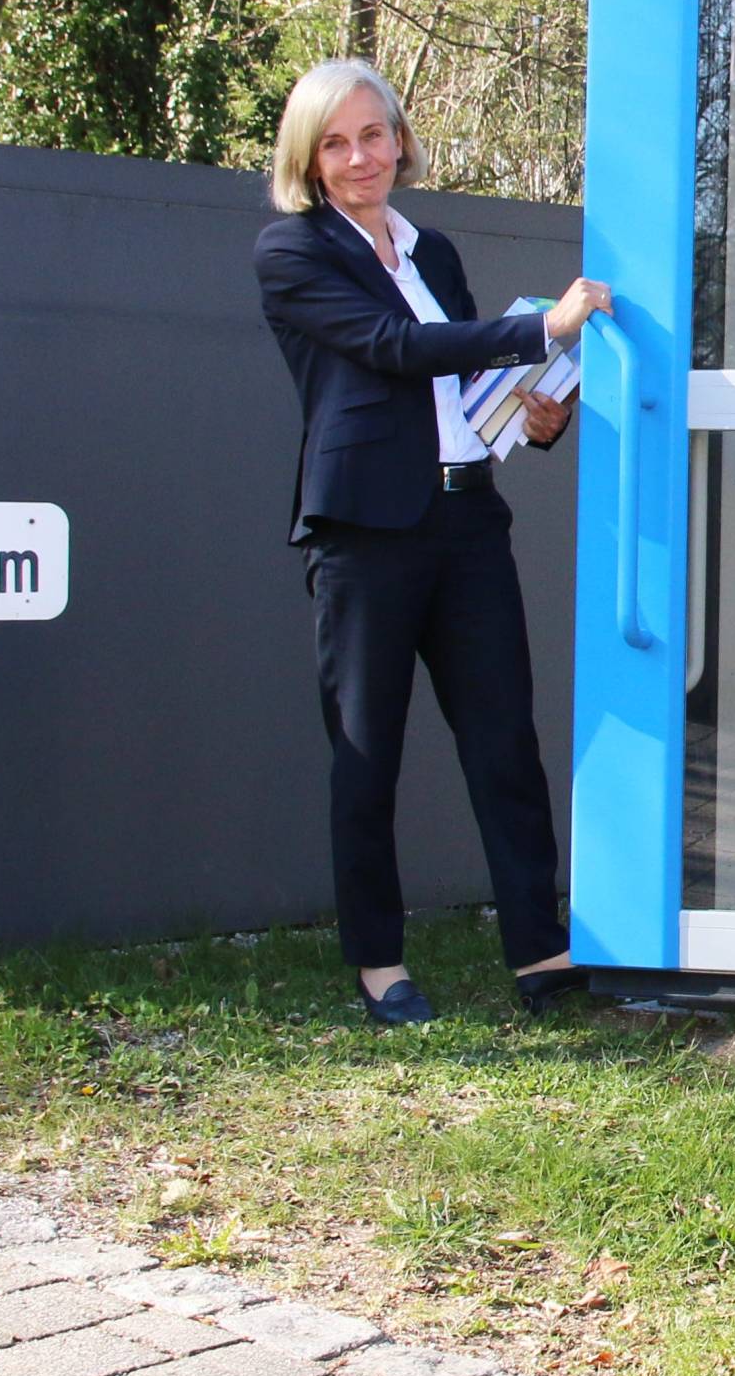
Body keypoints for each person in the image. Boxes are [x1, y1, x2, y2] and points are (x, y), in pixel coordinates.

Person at [251, 57, 608, 1027]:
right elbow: (396, 350)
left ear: (401, 139)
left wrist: (535, 415)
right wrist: (538, 328)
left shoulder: (434, 250)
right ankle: (379, 966)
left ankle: (542, 953)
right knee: (368, 757)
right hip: (364, 537)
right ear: (310, 159)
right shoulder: (290, 253)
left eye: (374, 134)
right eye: (336, 141)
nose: (360, 156)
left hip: (467, 520)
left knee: (505, 747)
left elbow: (463, 391)